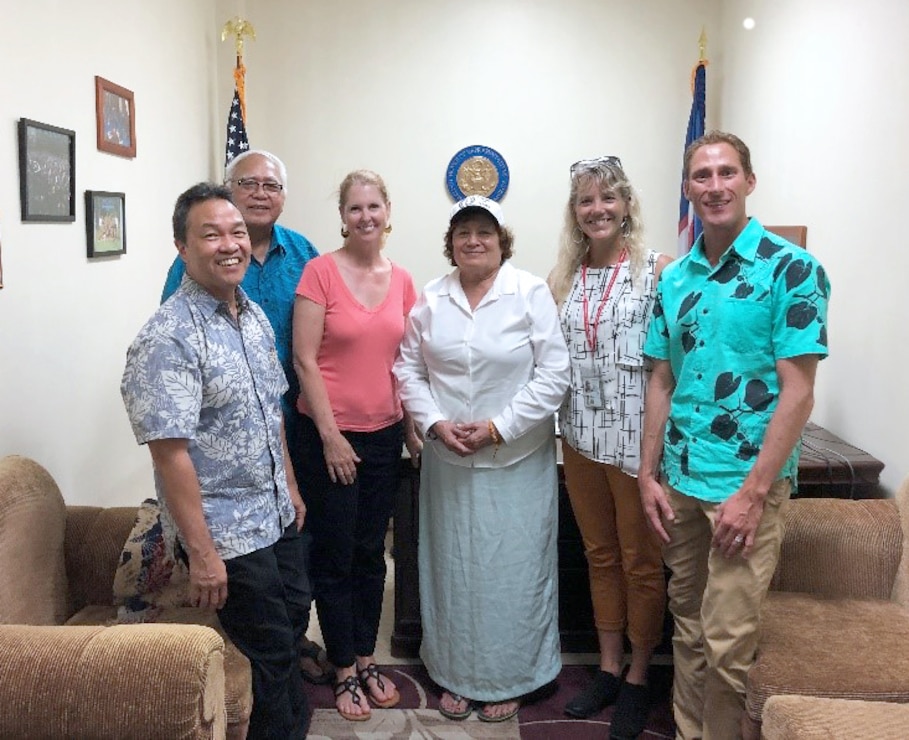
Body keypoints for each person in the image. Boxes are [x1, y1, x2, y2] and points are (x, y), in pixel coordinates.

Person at [638, 131, 831, 740]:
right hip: (681, 481)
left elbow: (798, 391)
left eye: (726, 173)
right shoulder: (674, 279)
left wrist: (754, 492)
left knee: (726, 643)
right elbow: (661, 382)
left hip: (742, 489)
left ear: (749, 181)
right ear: (688, 189)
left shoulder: (791, 269)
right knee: (688, 630)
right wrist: (648, 475)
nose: (715, 186)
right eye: (701, 175)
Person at [121, 183, 312, 738]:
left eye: (236, 232)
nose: (229, 244)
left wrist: (293, 490)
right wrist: (202, 554)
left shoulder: (250, 316)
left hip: (276, 513)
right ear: (181, 247)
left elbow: (272, 412)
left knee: (294, 623)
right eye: (211, 234)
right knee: (273, 651)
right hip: (228, 532)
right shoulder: (168, 337)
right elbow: (169, 453)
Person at [394, 195, 570, 724]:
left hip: (516, 459)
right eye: (463, 232)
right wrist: (434, 423)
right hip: (449, 461)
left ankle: (512, 676)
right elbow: (409, 370)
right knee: (454, 570)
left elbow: (553, 374)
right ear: (451, 244)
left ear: (501, 240)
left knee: (512, 573)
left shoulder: (530, 293)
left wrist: (499, 426)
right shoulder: (431, 298)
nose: (473, 240)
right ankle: (455, 673)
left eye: (484, 232)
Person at [160, 150, 331, 684]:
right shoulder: (188, 280)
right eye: (248, 184)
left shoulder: (304, 253)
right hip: (223, 442)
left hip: (289, 420)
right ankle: (264, 659)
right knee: (254, 584)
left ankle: (291, 639)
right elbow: (180, 365)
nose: (260, 193)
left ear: (283, 195)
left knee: (299, 545)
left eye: (271, 185)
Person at [548, 156, 671, 738]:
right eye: (585, 201)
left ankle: (640, 677)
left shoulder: (657, 271)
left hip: (636, 444)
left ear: (626, 205)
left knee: (641, 563)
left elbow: (668, 369)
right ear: (575, 213)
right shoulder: (564, 278)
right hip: (578, 439)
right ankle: (608, 666)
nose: (597, 210)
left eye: (607, 199)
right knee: (599, 556)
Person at [292, 169, 420, 722]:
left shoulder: (405, 280)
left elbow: (406, 364)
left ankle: (367, 657)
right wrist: (330, 436)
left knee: (373, 553)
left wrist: (412, 427)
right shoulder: (319, 273)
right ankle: (342, 666)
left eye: (374, 206)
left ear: (388, 212)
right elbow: (303, 360)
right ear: (342, 216)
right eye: (354, 208)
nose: (365, 216)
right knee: (336, 554)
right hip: (329, 437)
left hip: (385, 435)